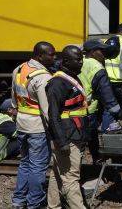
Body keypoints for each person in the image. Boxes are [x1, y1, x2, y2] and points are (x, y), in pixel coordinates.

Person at [11, 42, 55, 209]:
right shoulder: (43, 77)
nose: (54, 57)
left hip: (22, 123)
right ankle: (35, 203)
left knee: (25, 163)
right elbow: (46, 109)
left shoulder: (19, 69)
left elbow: (14, 100)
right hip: (38, 127)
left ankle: (19, 200)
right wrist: (56, 131)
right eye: (50, 54)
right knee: (38, 166)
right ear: (39, 56)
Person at [45, 45, 88, 209]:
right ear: (65, 61)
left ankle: (53, 206)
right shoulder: (57, 83)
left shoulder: (71, 78)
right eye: (77, 59)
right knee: (71, 177)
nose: (81, 62)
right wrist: (61, 142)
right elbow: (53, 116)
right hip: (67, 136)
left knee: (57, 173)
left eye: (81, 58)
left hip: (73, 133)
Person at [79, 38, 122, 162]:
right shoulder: (97, 67)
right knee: (89, 137)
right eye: (101, 51)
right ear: (93, 52)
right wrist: (117, 111)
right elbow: (106, 93)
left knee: (86, 138)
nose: (104, 54)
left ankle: (95, 161)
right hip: (88, 109)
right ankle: (94, 163)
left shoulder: (78, 61)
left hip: (73, 109)